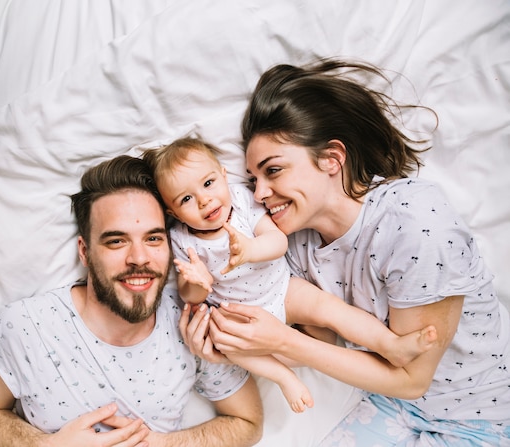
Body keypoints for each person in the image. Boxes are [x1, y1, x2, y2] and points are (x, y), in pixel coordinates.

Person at [184, 58, 510, 446]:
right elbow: (316, 349)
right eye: (253, 180)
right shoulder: (295, 247)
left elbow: (412, 377)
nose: (258, 195)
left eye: (273, 171)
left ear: (331, 159)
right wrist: (233, 351)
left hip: (483, 416)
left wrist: (282, 342)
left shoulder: (415, 219)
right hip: (390, 403)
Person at [0, 155, 263, 447]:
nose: (139, 258)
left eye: (153, 238)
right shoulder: (26, 325)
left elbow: (248, 422)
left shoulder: (191, 323)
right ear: (85, 252)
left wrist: (167, 444)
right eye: (116, 241)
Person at [143, 137, 437, 414]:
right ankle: (284, 378)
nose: (204, 201)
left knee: (329, 309)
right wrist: (197, 283)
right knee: (227, 343)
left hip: (282, 289)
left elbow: (277, 242)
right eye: (186, 200)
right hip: (239, 313)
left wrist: (250, 250)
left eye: (208, 183)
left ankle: (389, 345)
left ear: (223, 176)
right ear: (175, 213)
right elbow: (190, 295)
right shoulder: (181, 239)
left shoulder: (243, 203)